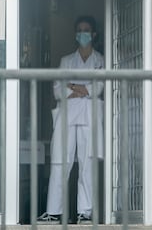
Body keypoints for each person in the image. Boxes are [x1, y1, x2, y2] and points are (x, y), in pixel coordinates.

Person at [37, 16, 104, 224]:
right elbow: (58, 89)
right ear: (76, 34)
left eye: (86, 30)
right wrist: (83, 89)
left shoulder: (100, 60)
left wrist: (73, 86)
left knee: (87, 165)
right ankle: (53, 212)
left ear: (93, 34)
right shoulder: (66, 61)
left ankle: (86, 212)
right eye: (79, 30)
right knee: (60, 162)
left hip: (89, 115)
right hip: (67, 115)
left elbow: (99, 87)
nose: (83, 33)